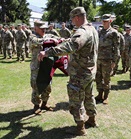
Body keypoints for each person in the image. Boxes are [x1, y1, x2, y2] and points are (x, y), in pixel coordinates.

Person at [38, 7, 98, 136]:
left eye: (72, 19)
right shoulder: (92, 29)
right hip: (90, 70)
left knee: (75, 100)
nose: (72, 21)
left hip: (80, 73)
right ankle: (92, 120)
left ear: (77, 17)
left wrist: (47, 52)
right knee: (89, 96)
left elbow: (72, 46)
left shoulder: (82, 31)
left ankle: (80, 127)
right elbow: (77, 43)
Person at [29, 21, 60, 115]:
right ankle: (36, 106)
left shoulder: (48, 35)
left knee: (48, 85)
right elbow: (37, 42)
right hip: (37, 66)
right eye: (41, 28)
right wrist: (51, 40)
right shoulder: (32, 37)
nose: (44, 29)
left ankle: (44, 104)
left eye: (44, 28)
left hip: (47, 65)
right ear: (35, 28)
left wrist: (58, 39)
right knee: (36, 86)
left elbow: (59, 39)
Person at [95, 14, 120, 104]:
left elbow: (116, 48)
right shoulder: (100, 32)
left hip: (107, 60)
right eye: (103, 21)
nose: (104, 22)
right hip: (98, 59)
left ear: (110, 21)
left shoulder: (114, 33)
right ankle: (99, 94)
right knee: (98, 78)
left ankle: (106, 96)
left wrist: (114, 61)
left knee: (106, 79)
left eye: (106, 21)